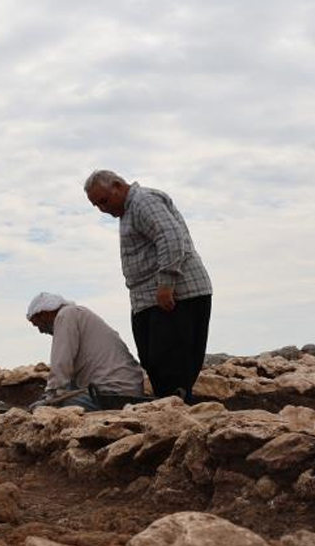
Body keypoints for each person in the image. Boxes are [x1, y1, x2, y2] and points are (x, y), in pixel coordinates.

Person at [85, 170, 213, 402]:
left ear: (117, 186)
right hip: (150, 300)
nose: (103, 209)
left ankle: (178, 413)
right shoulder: (129, 211)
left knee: (172, 365)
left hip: (177, 296)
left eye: (104, 201)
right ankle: (171, 412)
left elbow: (171, 237)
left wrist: (166, 284)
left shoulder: (143, 201)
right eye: (97, 205)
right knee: (155, 363)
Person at [26, 292, 146, 410]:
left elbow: (62, 362)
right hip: (127, 389)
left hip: (114, 392)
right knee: (67, 391)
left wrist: (50, 397)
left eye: (38, 325)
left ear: (44, 314)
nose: (40, 331)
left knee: (56, 405)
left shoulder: (65, 315)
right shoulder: (77, 314)